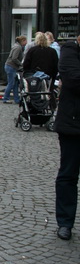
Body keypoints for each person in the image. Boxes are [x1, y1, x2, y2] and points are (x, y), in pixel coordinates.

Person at [54, 36, 80, 240]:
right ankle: (65, 222)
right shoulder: (70, 49)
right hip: (73, 124)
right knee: (68, 174)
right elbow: (73, 79)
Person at [2, 35, 27, 104]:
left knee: (15, 84)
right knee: (11, 83)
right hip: (11, 67)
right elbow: (14, 58)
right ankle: (6, 98)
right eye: (25, 41)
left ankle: (16, 99)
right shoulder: (18, 47)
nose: (26, 43)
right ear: (22, 41)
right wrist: (21, 64)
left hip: (11, 66)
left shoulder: (17, 46)